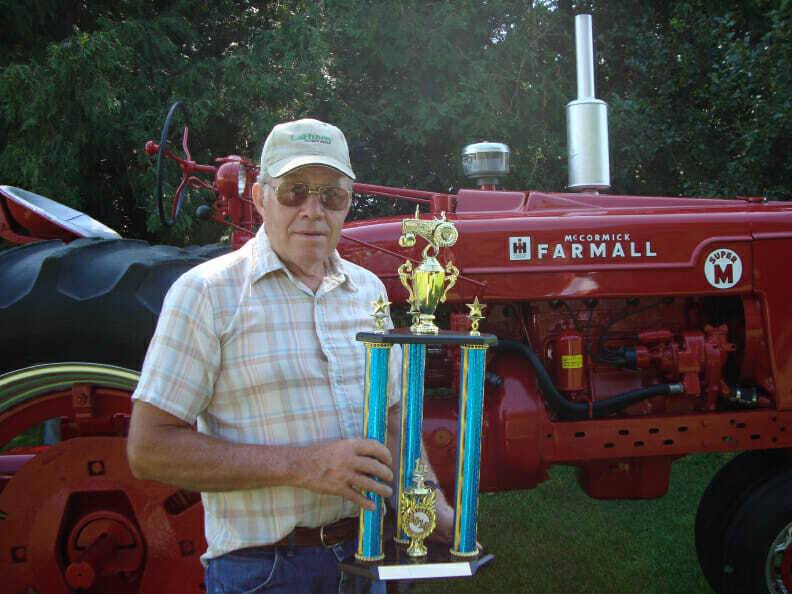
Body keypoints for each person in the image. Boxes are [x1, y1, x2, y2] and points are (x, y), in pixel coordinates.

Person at [127, 118, 454, 593]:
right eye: (293, 192)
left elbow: (395, 413)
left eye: (332, 195)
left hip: (368, 555)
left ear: (348, 203)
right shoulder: (206, 294)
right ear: (260, 198)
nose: (313, 210)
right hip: (265, 571)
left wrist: (428, 505)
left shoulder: (368, 291)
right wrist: (304, 465)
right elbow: (148, 449)